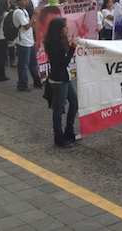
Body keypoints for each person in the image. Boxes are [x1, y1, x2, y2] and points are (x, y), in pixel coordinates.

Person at [45, 18, 79, 147]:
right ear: (59, 30)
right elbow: (63, 63)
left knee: (74, 102)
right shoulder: (54, 45)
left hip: (65, 77)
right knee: (59, 109)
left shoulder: (61, 40)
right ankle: (58, 136)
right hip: (59, 79)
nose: (67, 29)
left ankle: (69, 130)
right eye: (65, 27)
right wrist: (72, 48)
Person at [13, 0, 42, 92]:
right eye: (24, 0)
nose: (27, 1)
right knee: (23, 64)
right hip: (23, 42)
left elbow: (29, 24)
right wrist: (33, 16)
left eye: (27, 0)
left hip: (29, 41)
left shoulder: (24, 11)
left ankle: (37, 80)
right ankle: (22, 83)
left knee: (33, 63)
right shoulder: (18, 12)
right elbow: (26, 26)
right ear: (19, 1)